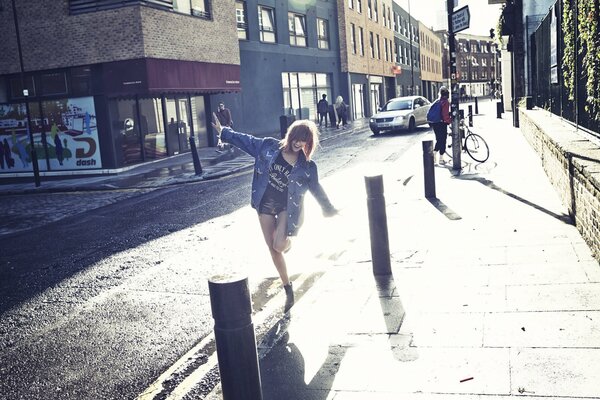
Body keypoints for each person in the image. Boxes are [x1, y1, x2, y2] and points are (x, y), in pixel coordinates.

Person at [212, 114, 338, 312]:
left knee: (279, 245)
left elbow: (316, 189)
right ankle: (287, 286)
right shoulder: (268, 147)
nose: (299, 143)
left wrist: (329, 208)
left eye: (304, 140)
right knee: (272, 249)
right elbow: (247, 141)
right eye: (296, 138)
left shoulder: (307, 167)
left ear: (309, 142)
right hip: (265, 205)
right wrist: (224, 132)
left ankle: (287, 241)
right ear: (290, 135)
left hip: (288, 208)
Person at [428, 86, 452, 164]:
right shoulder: (445, 102)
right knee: (443, 140)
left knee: (438, 139)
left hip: (435, 123)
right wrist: (450, 121)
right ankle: (441, 159)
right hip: (442, 123)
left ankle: (434, 154)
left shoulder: (437, 101)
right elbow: (445, 115)